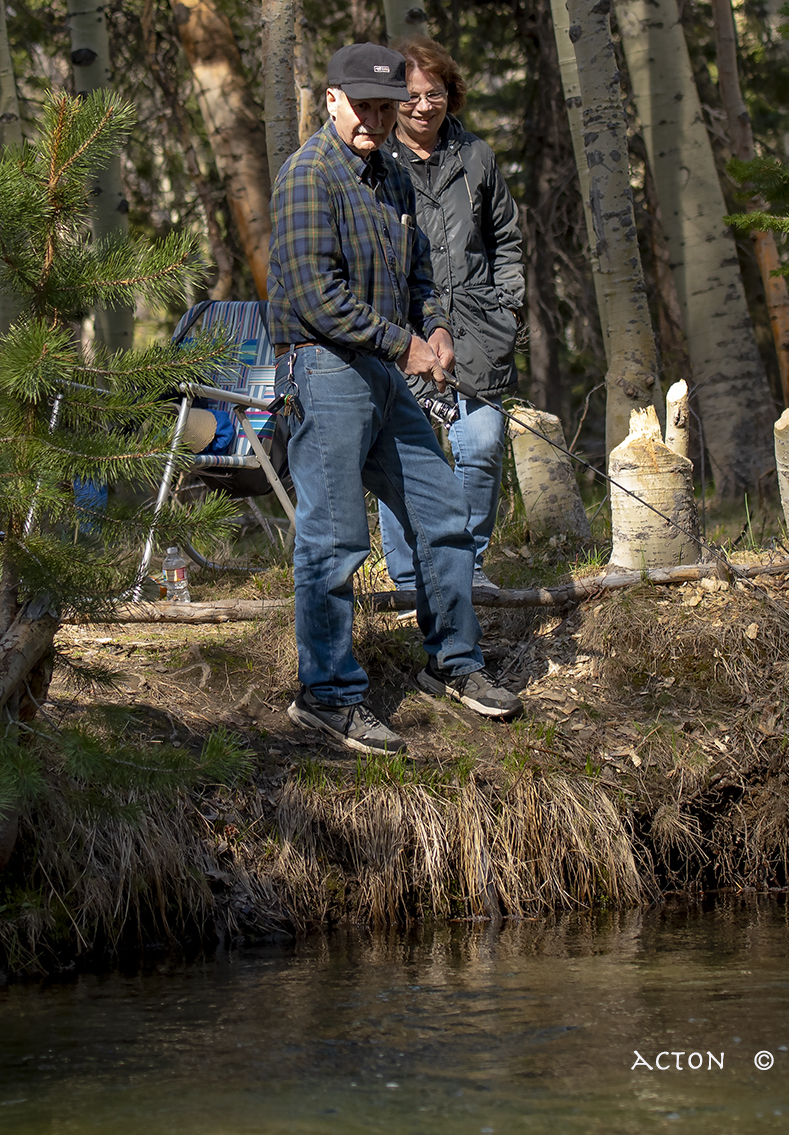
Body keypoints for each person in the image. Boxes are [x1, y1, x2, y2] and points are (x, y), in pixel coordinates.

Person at [268, 42, 522, 757]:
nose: (376, 120)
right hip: (324, 370)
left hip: (383, 372)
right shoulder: (308, 176)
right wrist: (402, 342)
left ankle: (455, 663)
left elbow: (418, 276)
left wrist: (434, 326)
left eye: (385, 106)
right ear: (330, 99)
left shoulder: (391, 178)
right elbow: (318, 298)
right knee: (336, 536)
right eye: (365, 106)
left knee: (443, 514)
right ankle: (327, 694)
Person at [377, 38, 525, 594]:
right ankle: (411, 577)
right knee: (407, 454)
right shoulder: (374, 159)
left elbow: (505, 236)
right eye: (410, 96)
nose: (421, 106)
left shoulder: (476, 157)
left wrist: (507, 304)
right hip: (404, 333)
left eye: (433, 93)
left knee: (482, 442)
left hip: (479, 328)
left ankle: (469, 566)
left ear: (450, 94)